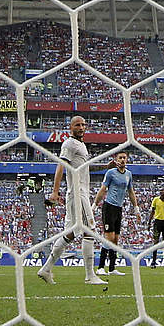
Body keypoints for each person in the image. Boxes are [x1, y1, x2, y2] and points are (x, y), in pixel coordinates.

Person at [37, 115, 104, 285]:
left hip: (79, 193)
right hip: (77, 193)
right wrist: (54, 191)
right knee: (90, 230)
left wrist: (106, 167)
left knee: (71, 233)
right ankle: (90, 276)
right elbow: (61, 165)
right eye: (77, 125)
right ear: (71, 127)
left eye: (83, 125)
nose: (81, 127)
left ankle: (46, 269)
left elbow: (86, 167)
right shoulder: (69, 144)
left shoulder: (81, 145)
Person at [93, 152, 138, 276]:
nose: (123, 160)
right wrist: (95, 205)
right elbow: (103, 189)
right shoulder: (111, 173)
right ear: (116, 160)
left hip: (119, 208)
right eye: (120, 158)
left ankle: (112, 268)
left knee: (116, 240)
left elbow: (131, 192)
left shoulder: (129, 174)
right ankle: (100, 267)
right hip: (109, 207)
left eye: (124, 157)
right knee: (109, 237)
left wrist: (136, 208)